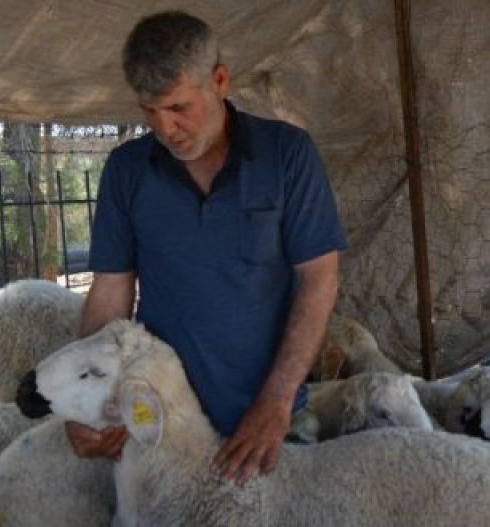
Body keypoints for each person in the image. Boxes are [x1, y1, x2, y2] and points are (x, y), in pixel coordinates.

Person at [67, 10, 346, 486]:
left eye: (178, 107)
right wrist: (84, 398)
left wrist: (276, 403)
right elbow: (112, 289)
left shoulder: (286, 155)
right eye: (149, 112)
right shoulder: (127, 171)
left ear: (219, 81)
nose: (165, 128)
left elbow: (318, 277)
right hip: (159, 423)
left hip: (273, 422)